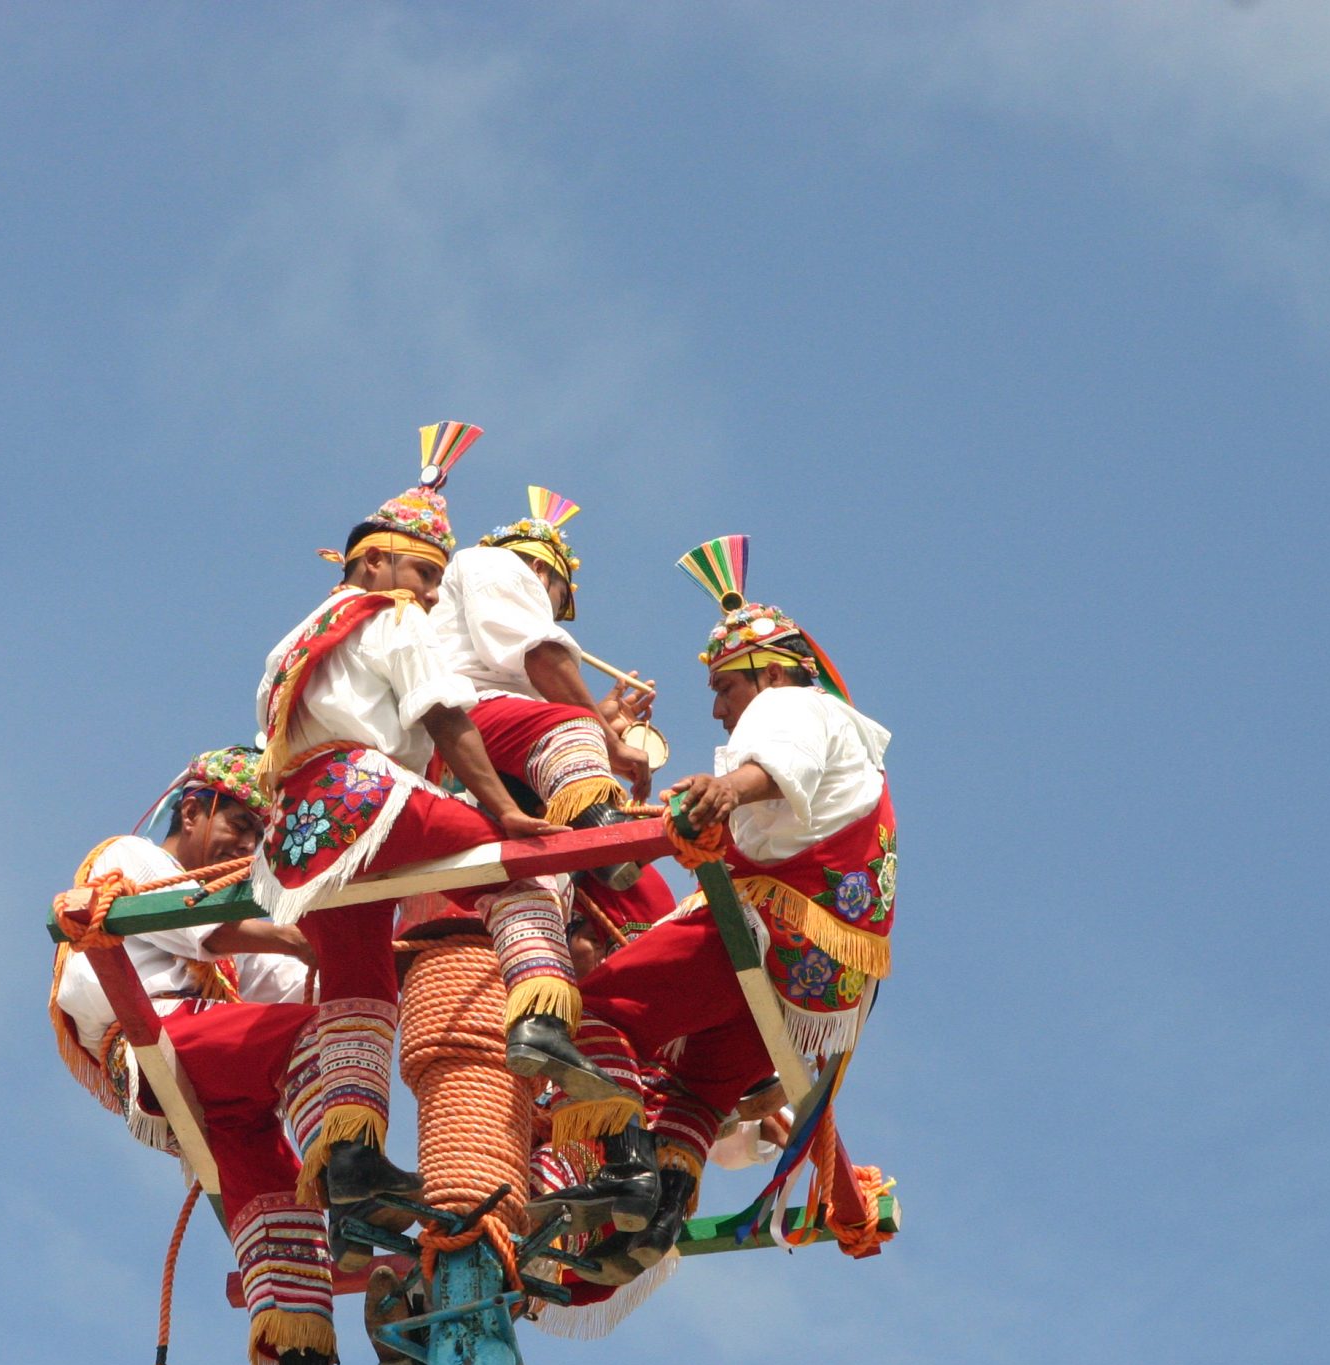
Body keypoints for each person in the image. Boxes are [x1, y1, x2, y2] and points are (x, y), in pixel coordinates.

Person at [250, 422, 625, 1222]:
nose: (428, 591)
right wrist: (504, 811)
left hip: (294, 840)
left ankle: (350, 1156)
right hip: (362, 796)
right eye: (422, 571)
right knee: (517, 863)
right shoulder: (390, 616)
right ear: (373, 561)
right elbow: (446, 713)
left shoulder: (294, 638)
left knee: (359, 982)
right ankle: (540, 1021)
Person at [563, 534, 898, 1279]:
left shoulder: (791, 705)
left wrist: (726, 789)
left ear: (770, 670)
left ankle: (628, 1170)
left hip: (769, 935)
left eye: (724, 687)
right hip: (821, 990)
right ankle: (662, 1211)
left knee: (589, 1012)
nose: (716, 709)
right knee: (698, 1090)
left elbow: (777, 762)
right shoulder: (849, 740)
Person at [49, 748, 399, 1365]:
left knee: (282, 1206)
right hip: (160, 1042)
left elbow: (294, 971)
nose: (248, 845)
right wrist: (301, 934)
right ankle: (353, 1172)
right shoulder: (133, 855)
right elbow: (197, 922)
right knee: (323, 1039)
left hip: (201, 1084)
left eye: (259, 835)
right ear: (193, 810)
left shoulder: (236, 936)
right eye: (240, 823)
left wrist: (393, 948)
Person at [426, 487, 653, 887]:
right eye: (558, 599)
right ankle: (606, 836)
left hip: (462, 760)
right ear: (538, 571)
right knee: (570, 726)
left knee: (532, 886)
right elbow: (539, 653)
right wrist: (603, 735)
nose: (552, 615)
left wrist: (602, 720)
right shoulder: (496, 561)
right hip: (465, 719)